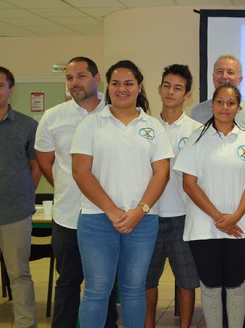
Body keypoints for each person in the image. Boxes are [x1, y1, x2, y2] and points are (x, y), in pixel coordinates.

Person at [71, 60, 173, 328]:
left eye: (128, 83)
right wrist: (112, 211)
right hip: (96, 220)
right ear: (107, 87)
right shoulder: (91, 125)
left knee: (133, 289)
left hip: (142, 221)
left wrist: (140, 211)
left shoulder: (154, 126)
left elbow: (162, 173)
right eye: (115, 83)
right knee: (96, 290)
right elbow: (81, 172)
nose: (122, 89)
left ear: (139, 87)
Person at [175, 83, 245, 328]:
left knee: (237, 284)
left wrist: (235, 216)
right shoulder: (196, 138)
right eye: (220, 102)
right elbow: (189, 183)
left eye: (230, 103)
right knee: (210, 285)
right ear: (212, 105)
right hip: (204, 227)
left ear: (238, 107)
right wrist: (220, 218)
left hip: (241, 226)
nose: (224, 107)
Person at [35, 56, 118, 328]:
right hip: (68, 216)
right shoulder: (53, 116)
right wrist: (69, 185)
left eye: (81, 76)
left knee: (103, 284)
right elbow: (46, 163)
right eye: (69, 78)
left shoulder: (116, 110)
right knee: (68, 282)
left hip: (106, 216)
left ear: (97, 79)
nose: (74, 83)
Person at [0, 66, 40, 328]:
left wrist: (23, 192)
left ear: (10, 90)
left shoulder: (27, 126)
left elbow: (36, 167)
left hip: (15, 214)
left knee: (20, 276)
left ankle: (26, 324)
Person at [144, 64, 201, 328]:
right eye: (166, 85)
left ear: (187, 95)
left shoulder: (197, 130)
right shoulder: (145, 127)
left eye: (178, 88)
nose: (170, 92)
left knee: (187, 280)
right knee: (147, 280)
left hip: (183, 216)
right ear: (159, 89)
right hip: (149, 216)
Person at [191, 54, 245, 130]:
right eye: (220, 71)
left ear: (240, 79)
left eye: (230, 72)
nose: (224, 76)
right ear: (213, 77)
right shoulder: (197, 112)